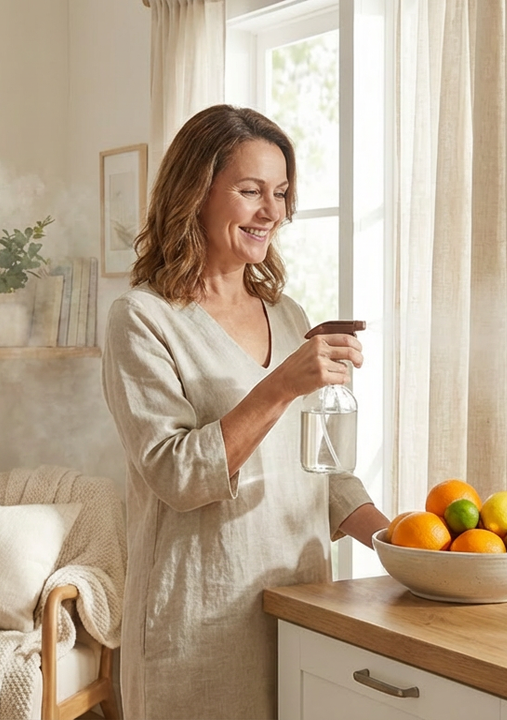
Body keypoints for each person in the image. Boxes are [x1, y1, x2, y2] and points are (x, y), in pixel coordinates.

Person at [101, 104, 390, 720]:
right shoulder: (143, 320)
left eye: (281, 193)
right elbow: (176, 475)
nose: (273, 212)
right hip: (200, 626)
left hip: (302, 609)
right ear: (195, 193)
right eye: (251, 190)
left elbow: (324, 471)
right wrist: (280, 385)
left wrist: (400, 543)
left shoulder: (285, 314)